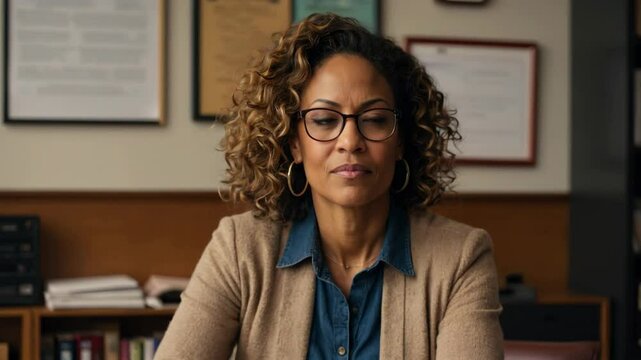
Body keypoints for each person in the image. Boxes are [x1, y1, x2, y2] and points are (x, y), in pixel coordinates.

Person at [155, 13, 503, 359]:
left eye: (375, 119)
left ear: (400, 142)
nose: (350, 141)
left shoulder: (461, 257)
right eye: (324, 120)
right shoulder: (240, 250)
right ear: (293, 142)